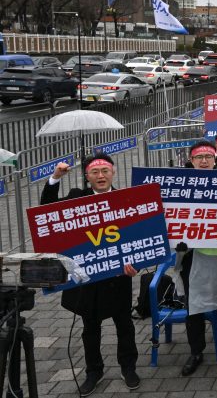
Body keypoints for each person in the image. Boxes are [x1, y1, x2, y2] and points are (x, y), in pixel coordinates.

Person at [40, 153, 139, 396]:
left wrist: (136, 263)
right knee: (90, 327)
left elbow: (139, 238)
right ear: (87, 177)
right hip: (87, 278)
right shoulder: (76, 197)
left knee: (124, 324)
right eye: (95, 172)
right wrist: (55, 178)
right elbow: (47, 210)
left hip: (118, 277)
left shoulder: (125, 200)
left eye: (105, 171)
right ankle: (94, 370)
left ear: (113, 172)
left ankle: (129, 367)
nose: (101, 176)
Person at [179, 141, 217, 377]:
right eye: (198, 157)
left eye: (207, 156)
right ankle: (196, 352)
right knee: (193, 308)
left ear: (215, 158)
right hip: (190, 255)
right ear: (191, 160)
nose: (203, 161)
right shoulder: (179, 184)